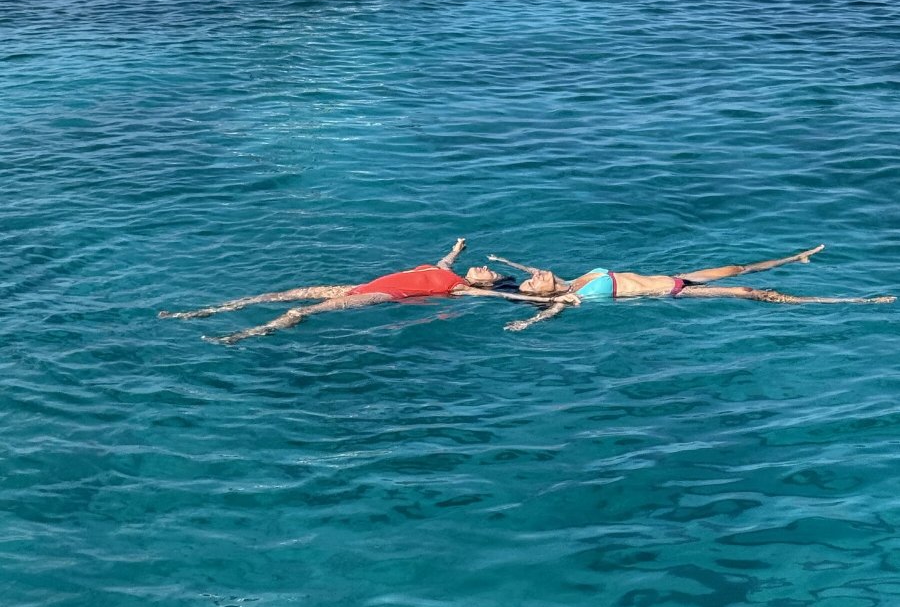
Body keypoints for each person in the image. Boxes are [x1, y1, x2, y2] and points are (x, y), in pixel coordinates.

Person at [159, 238, 535, 344]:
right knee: (278, 295)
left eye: (489, 272)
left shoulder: (461, 290)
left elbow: (503, 296)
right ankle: (199, 312)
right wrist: (457, 249)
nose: (486, 269)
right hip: (358, 286)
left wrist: (540, 300)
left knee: (303, 312)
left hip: (379, 296)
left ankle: (243, 335)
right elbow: (445, 262)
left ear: (483, 282)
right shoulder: (444, 270)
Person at [485, 245, 896, 331]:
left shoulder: (577, 278)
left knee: (737, 267)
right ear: (545, 293)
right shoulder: (572, 296)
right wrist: (527, 322)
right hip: (675, 291)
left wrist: (514, 268)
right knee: (755, 293)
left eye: (533, 275)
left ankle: (795, 257)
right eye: (532, 281)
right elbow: (553, 308)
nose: (534, 274)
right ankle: (852, 300)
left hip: (677, 273)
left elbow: (537, 273)